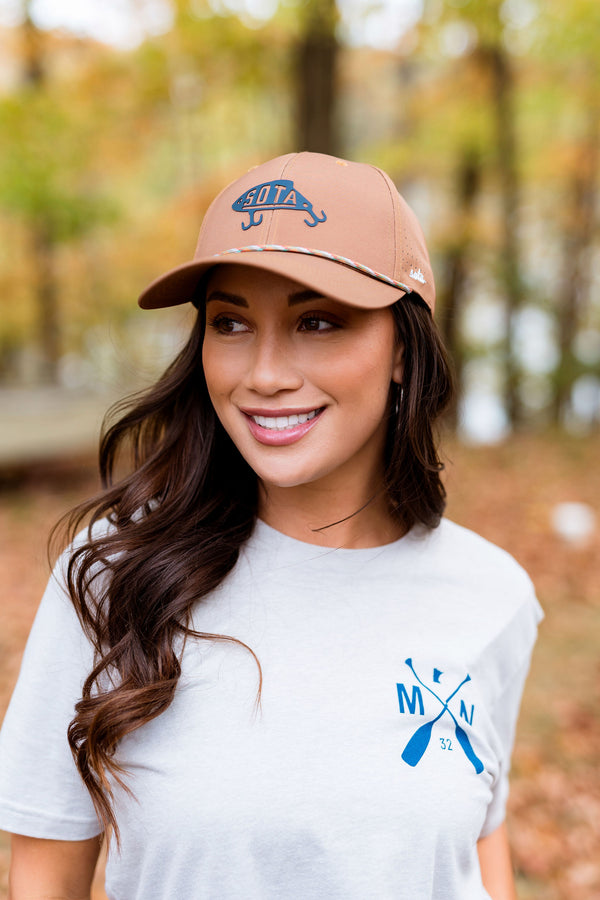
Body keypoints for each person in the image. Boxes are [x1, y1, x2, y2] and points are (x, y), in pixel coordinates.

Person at [0, 152, 542, 900]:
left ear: (402, 348)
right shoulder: (113, 579)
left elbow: (478, 842)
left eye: (316, 321)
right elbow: (42, 875)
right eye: (230, 322)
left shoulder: (492, 594)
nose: (263, 374)